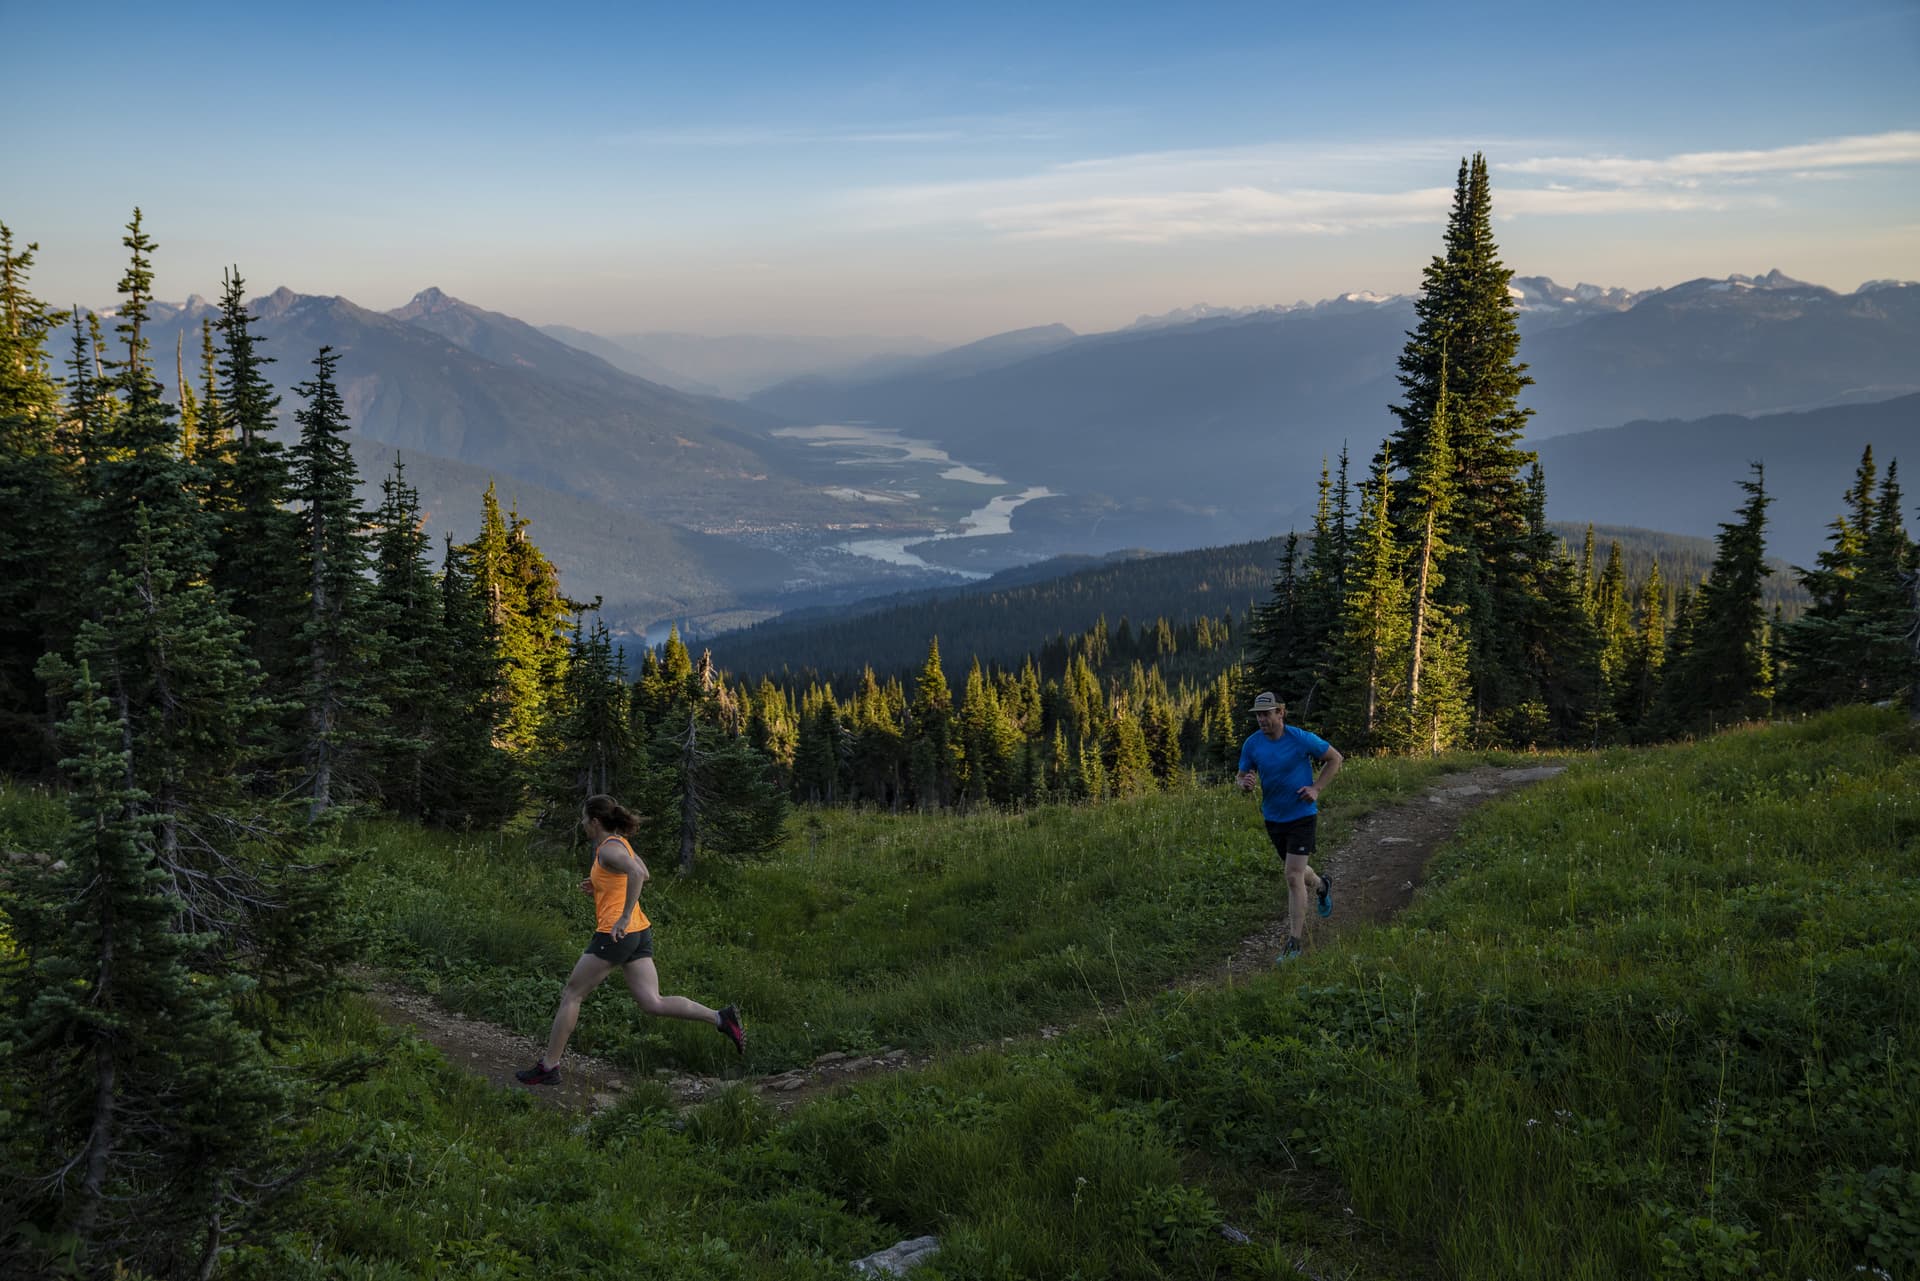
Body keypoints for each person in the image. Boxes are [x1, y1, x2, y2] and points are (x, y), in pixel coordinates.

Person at [516, 793, 744, 1085]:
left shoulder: (607, 851)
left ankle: (549, 1067)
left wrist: (622, 917)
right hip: (639, 932)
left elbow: (637, 873)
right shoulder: (619, 844)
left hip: (617, 933)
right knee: (653, 1002)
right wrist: (598, 885)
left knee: (572, 994)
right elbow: (643, 872)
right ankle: (721, 1018)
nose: (583, 824)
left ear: (595, 821)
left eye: (584, 819)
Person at [1235, 691, 1344, 963]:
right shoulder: (1252, 744)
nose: (1262, 719)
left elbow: (1335, 758)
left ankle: (1294, 943)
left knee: (1293, 876)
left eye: (1266, 713)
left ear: (1280, 713)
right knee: (1297, 871)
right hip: (1273, 818)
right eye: (1258, 715)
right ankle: (1322, 886)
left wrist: (1316, 788)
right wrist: (1244, 785)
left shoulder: (1300, 738)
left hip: (1302, 815)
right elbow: (1241, 776)